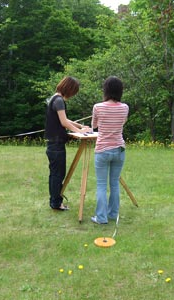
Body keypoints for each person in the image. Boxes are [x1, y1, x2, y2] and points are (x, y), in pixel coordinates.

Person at [45, 76, 91, 211]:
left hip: (53, 144)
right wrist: (81, 132)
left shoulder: (54, 98)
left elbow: (65, 119)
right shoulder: (59, 100)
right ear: (69, 89)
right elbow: (64, 122)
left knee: (55, 173)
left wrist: (80, 126)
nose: (72, 95)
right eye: (73, 91)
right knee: (57, 174)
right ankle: (56, 203)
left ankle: (55, 201)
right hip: (56, 145)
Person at [90, 76, 129, 224]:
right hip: (119, 149)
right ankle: (112, 214)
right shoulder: (125, 107)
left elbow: (94, 125)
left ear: (105, 90)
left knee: (101, 184)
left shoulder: (98, 107)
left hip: (102, 149)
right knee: (114, 183)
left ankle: (101, 218)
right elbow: (122, 122)